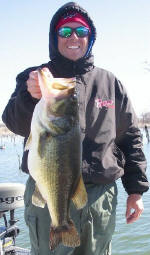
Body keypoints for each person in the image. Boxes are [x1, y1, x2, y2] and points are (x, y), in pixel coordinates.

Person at [2, 2, 149, 255]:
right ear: (54, 36)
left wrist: (135, 191)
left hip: (99, 198)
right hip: (46, 195)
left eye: (81, 32)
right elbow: (14, 122)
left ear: (90, 38)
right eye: (65, 31)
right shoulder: (35, 78)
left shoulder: (110, 82)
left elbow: (131, 139)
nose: (74, 37)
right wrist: (29, 96)